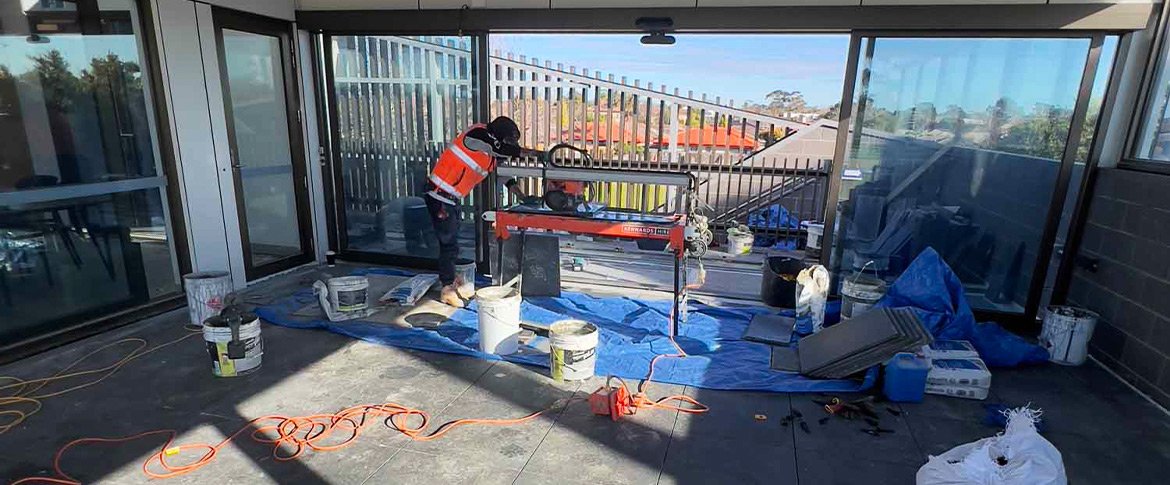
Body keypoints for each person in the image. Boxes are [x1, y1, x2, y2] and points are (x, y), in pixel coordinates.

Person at [426, 116, 533, 307]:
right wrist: (536, 154)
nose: (511, 145)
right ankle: (447, 288)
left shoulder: (490, 150)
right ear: (498, 137)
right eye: (509, 141)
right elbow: (504, 150)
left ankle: (450, 278)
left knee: (452, 243)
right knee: (448, 244)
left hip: (451, 197)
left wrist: (523, 197)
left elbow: (504, 177)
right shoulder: (477, 136)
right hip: (440, 195)